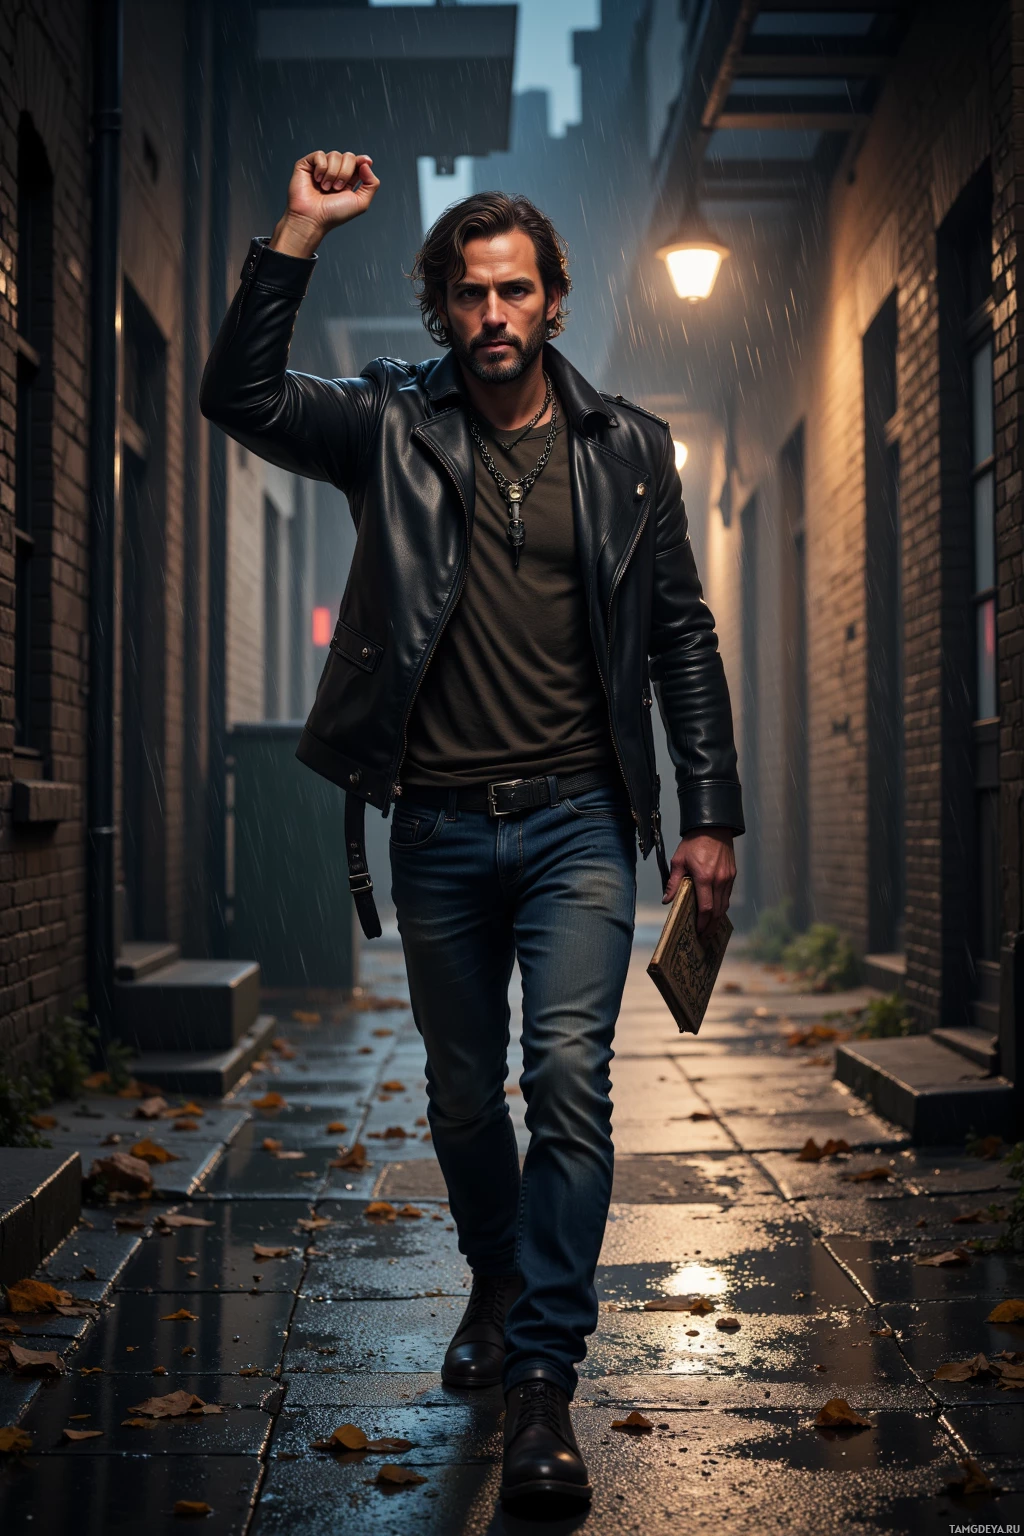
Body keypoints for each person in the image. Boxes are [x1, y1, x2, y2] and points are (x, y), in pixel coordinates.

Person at [201, 149, 743, 1512]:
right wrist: (298, 234)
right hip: (438, 829)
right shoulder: (387, 425)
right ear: (442, 311)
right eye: (469, 296)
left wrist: (710, 813)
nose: (494, 316)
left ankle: (543, 1377)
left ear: (555, 302)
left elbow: (681, 632)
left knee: (567, 1079)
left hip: (578, 826)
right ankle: (498, 1284)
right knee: (459, 1096)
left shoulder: (629, 453)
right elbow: (240, 394)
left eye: (517, 292)